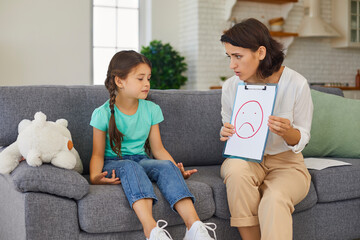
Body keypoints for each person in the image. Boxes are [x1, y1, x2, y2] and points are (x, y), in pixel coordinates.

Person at [89, 50, 216, 240]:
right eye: (140, 78)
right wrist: (94, 177)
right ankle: (152, 231)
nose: (147, 84)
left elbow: (158, 149)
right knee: (130, 167)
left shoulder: (151, 109)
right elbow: (98, 154)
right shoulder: (102, 113)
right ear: (119, 81)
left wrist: (175, 170)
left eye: (148, 78)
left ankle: (195, 228)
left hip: (141, 160)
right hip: (114, 162)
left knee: (165, 166)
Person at [219, 18, 313, 240]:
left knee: (274, 198)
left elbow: (303, 136)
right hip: (246, 158)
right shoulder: (231, 86)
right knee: (236, 171)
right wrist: (226, 132)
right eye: (229, 57)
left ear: (260, 53)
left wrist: (287, 131)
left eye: (238, 56)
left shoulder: (296, 83)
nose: (232, 65)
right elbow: (227, 123)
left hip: (287, 163)